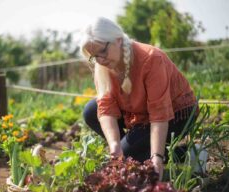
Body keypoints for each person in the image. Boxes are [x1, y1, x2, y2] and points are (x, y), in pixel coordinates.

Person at [79, 17, 198, 180]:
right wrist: (115, 145)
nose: (100, 60)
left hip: (176, 113)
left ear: (118, 40)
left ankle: (185, 153)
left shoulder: (151, 58)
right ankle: (136, 152)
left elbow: (159, 113)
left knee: (129, 155)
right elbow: (106, 106)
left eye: (103, 52)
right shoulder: (103, 66)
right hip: (142, 112)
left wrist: (156, 156)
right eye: (94, 56)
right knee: (91, 111)